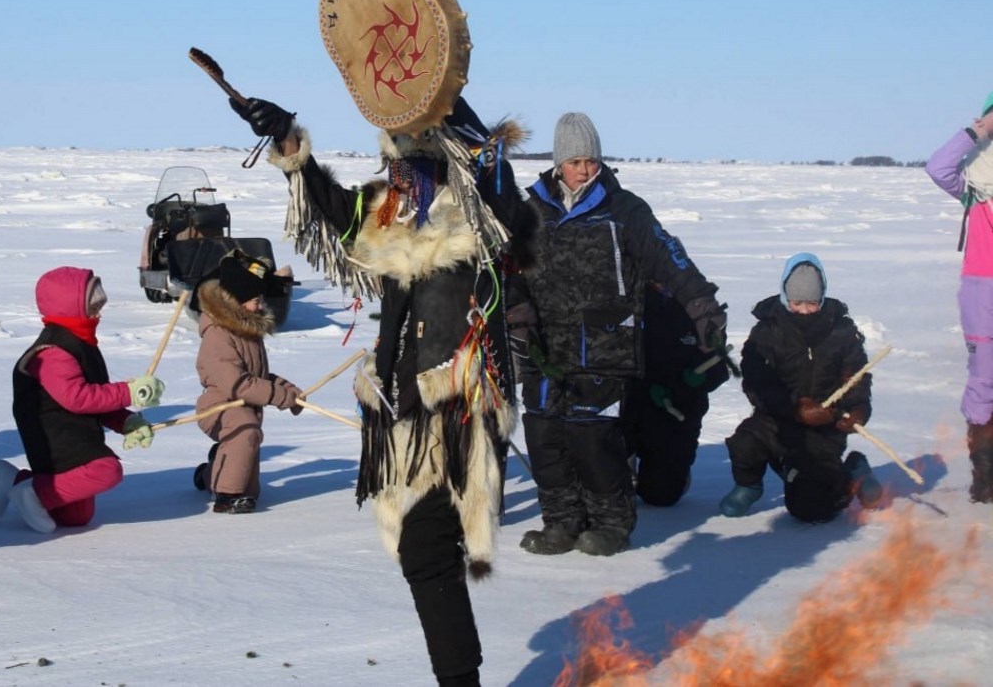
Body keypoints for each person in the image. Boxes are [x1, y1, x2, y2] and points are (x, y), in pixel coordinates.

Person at [232, 94, 535, 686]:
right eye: (393, 162)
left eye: (411, 162)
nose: (398, 177)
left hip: (467, 404)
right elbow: (330, 207)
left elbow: (513, 219)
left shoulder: (480, 213)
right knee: (423, 553)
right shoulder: (388, 214)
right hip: (405, 412)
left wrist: (459, 122)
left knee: (426, 548)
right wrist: (289, 140)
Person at [511, 112, 726, 557]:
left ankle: (610, 522)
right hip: (545, 344)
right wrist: (518, 315)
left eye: (591, 160)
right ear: (558, 163)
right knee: (544, 434)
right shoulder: (529, 210)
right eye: (575, 161)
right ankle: (561, 521)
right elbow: (507, 268)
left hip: (603, 341)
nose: (584, 169)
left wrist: (701, 305)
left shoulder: (624, 209)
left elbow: (670, 259)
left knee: (593, 437)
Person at [0, 266, 165, 534]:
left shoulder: (83, 344)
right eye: (92, 307)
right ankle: (33, 494)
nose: (98, 314)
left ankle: (16, 481)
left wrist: (126, 421)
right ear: (70, 308)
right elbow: (78, 398)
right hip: (54, 437)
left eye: (99, 307)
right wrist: (129, 391)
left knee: (76, 516)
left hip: (75, 433)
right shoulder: (52, 353)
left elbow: (98, 395)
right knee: (106, 471)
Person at [718, 253, 883, 522]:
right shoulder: (766, 331)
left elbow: (856, 377)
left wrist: (858, 409)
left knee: (811, 508)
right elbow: (756, 382)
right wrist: (795, 408)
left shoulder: (841, 332)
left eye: (812, 304)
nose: (804, 311)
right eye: (797, 303)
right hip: (777, 419)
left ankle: (852, 472)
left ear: (823, 297)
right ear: (785, 297)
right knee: (745, 443)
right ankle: (748, 485)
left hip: (823, 428)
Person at [191, 250, 302, 514]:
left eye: (260, 299)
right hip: (218, 407)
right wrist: (277, 396)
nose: (260, 305)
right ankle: (228, 496)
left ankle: (210, 473)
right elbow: (237, 384)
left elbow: (258, 377)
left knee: (246, 451)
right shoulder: (217, 335)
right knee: (245, 429)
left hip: (244, 406)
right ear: (235, 303)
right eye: (254, 300)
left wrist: (288, 390)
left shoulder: (248, 333)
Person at [925, 90, 993, 502]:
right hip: (982, 289)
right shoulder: (974, 184)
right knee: (985, 381)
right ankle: (986, 475)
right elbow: (938, 167)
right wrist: (979, 129)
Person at [622, 282, 729, 507]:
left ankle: (673, 472)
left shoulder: (700, 307)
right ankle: (624, 460)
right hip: (632, 403)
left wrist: (694, 381)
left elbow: (718, 369)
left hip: (677, 410)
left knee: (661, 494)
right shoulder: (629, 295)